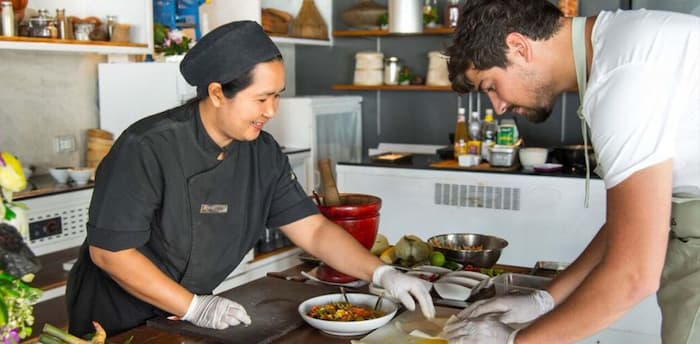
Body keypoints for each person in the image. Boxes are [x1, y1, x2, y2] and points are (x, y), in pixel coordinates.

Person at [66, 21, 435, 336]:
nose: (272, 111)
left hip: (183, 310)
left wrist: (384, 273)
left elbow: (313, 230)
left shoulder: (262, 152)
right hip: (115, 319)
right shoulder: (146, 147)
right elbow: (110, 253)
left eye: (277, 96)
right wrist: (196, 307)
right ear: (216, 93)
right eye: (262, 99)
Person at [442, 1, 700, 343]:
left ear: (519, 47)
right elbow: (631, 224)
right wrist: (544, 299)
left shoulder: (623, 80)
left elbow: (634, 275)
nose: (499, 106)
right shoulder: (622, 43)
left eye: (490, 86)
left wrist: (513, 341)